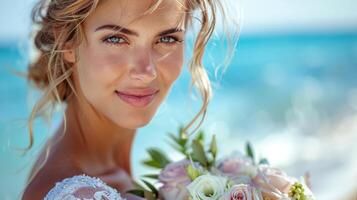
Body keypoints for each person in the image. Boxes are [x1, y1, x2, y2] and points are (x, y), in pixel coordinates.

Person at [22, 0, 234, 199]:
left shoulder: (103, 175)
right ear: (67, 42)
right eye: (116, 39)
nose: (146, 71)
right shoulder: (78, 194)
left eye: (167, 39)